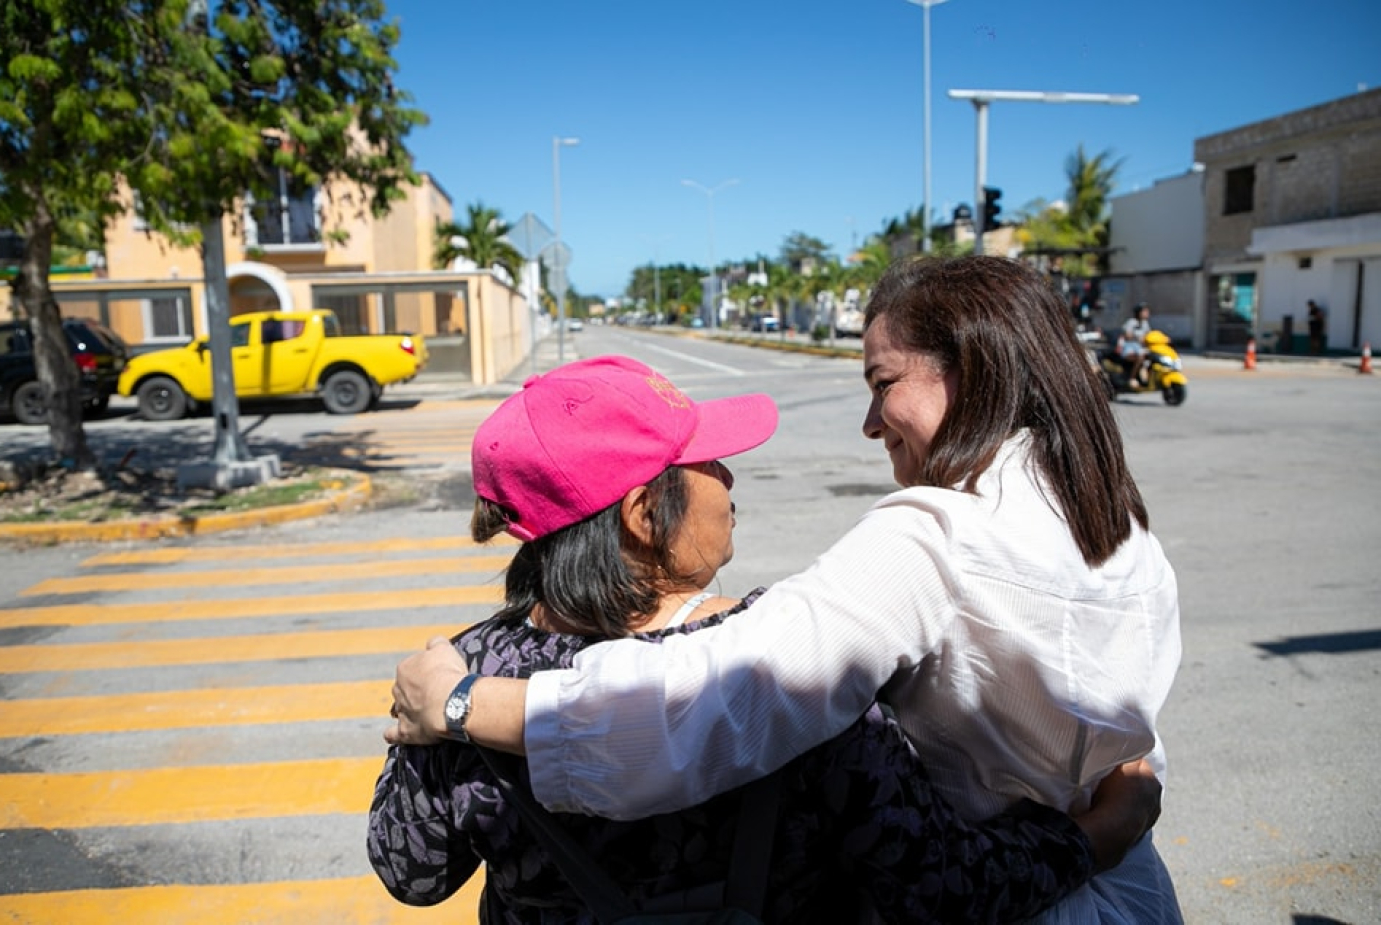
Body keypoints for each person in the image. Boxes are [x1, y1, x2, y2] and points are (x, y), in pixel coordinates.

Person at [386, 257, 1184, 924]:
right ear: (641, 515)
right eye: (709, 461)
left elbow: (411, 869)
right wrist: (1098, 835)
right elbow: (930, 875)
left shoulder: (469, 657)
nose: (871, 423)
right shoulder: (1117, 526)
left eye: (882, 384)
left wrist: (458, 707)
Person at [1118, 302, 1152, 387]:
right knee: (1140, 356)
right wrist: (1138, 337)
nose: (1147, 313)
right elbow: (1127, 335)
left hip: (1140, 347)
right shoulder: (1131, 322)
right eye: (1144, 311)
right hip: (1130, 347)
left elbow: (1149, 335)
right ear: (1138, 312)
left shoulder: (1145, 324)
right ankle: (1132, 378)